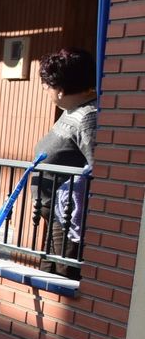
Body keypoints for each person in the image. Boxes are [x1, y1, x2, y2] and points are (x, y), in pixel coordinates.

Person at [33, 47, 97, 267]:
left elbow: (97, 167)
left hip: (67, 217)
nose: (46, 91)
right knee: (46, 273)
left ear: (60, 89)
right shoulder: (72, 110)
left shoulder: (88, 116)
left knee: (60, 276)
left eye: (47, 87)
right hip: (55, 216)